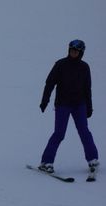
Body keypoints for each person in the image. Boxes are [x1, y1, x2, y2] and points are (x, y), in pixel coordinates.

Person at [38, 39, 99, 173]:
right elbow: (49, 83)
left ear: (81, 52)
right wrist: (45, 101)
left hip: (79, 105)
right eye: (71, 50)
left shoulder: (84, 67)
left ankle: (92, 159)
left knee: (84, 131)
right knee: (59, 133)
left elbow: (87, 88)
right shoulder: (60, 65)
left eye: (76, 51)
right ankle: (46, 161)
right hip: (63, 104)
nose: (73, 52)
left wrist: (89, 106)